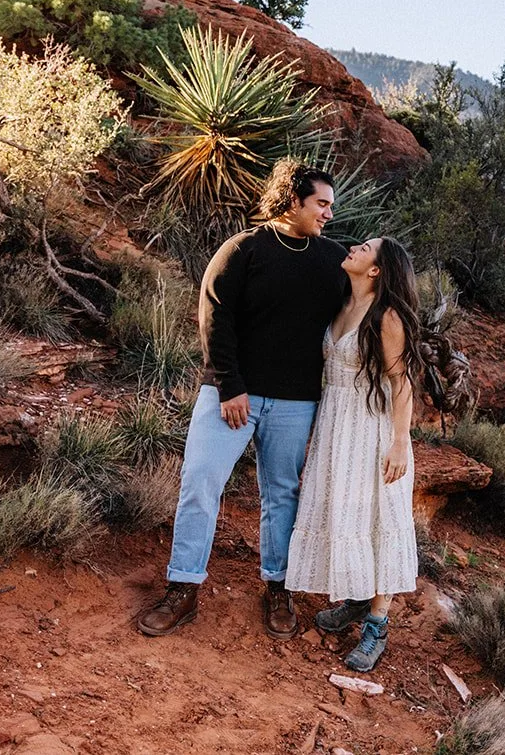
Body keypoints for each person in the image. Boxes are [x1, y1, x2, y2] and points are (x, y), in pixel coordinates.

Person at [136, 159, 348, 639]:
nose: (328, 213)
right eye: (321, 203)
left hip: (296, 403)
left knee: (281, 495)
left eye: (331, 206)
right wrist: (231, 386)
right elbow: (214, 315)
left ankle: (278, 587)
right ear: (294, 199)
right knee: (199, 482)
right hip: (231, 396)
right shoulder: (244, 249)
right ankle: (183, 588)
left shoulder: (333, 261)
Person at [285, 236, 423, 672]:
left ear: (377, 270)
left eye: (365, 249)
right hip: (336, 424)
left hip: (373, 428)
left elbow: (401, 384)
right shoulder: (343, 305)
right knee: (347, 514)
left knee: (379, 519)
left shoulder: (387, 316)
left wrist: (400, 442)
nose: (354, 249)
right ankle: (358, 598)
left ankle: (376, 627)